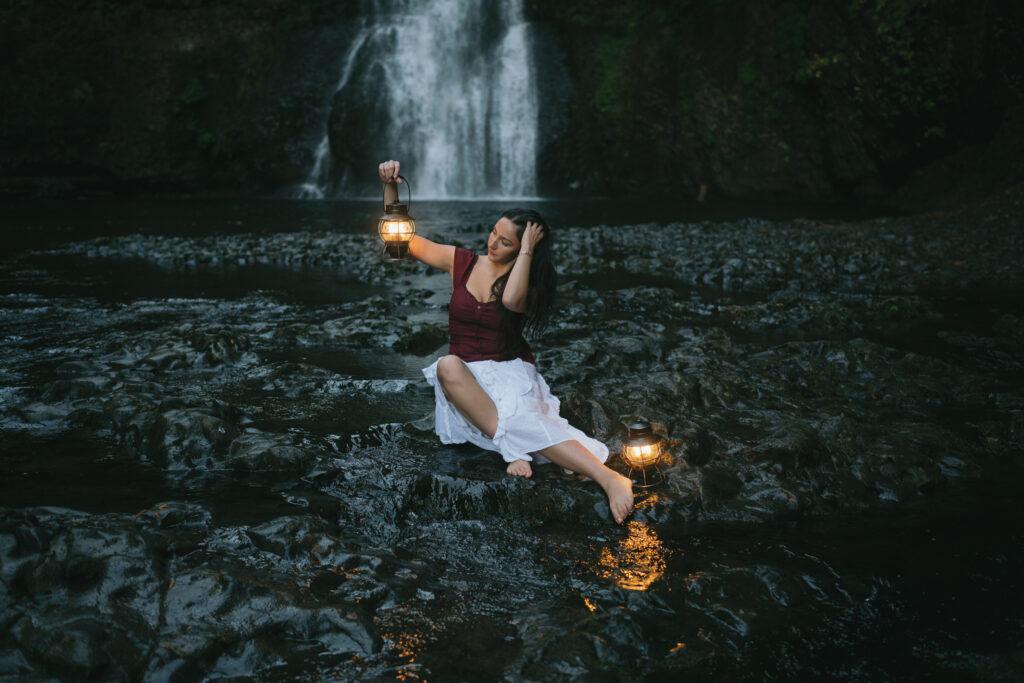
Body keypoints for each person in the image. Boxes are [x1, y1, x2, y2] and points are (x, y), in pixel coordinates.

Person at [378, 160, 634, 524]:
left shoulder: (527, 285)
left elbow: (511, 302)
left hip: (510, 372)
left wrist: (528, 251)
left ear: (522, 248)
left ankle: (609, 480)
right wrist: (390, 188)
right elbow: (398, 240)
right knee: (447, 364)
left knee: (519, 417)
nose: (493, 243)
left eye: (506, 241)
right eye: (493, 233)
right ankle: (516, 447)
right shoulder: (462, 262)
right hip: (467, 377)